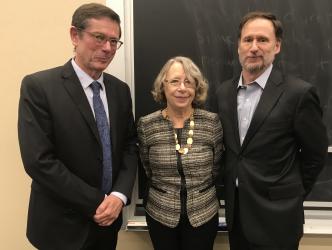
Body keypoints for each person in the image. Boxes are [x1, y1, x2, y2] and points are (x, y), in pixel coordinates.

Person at [18, 3, 138, 250]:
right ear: (75, 35)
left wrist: (118, 197)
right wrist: (98, 202)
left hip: (107, 225)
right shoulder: (39, 87)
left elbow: (129, 147)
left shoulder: (120, 91)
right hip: (60, 229)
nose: (107, 48)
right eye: (99, 38)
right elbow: (39, 161)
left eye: (114, 41)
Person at [214, 11, 328, 250]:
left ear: (277, 46)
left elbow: (315, 155)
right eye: (248, 40)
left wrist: (290, 196)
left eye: (263, 40)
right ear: (238, 47)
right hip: (237, 219)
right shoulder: (224, 93)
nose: (254, 47)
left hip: (279, 220)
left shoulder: (299, 93)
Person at [137, 56, 223, 250]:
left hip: (203, 213)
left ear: (196, 88)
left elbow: (216, 167)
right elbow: (147, 169)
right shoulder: (147, 125)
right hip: (160, 213)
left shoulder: (211, 122)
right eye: (175, 81)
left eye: (189, 82)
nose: (182, 88)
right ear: (163, 86)